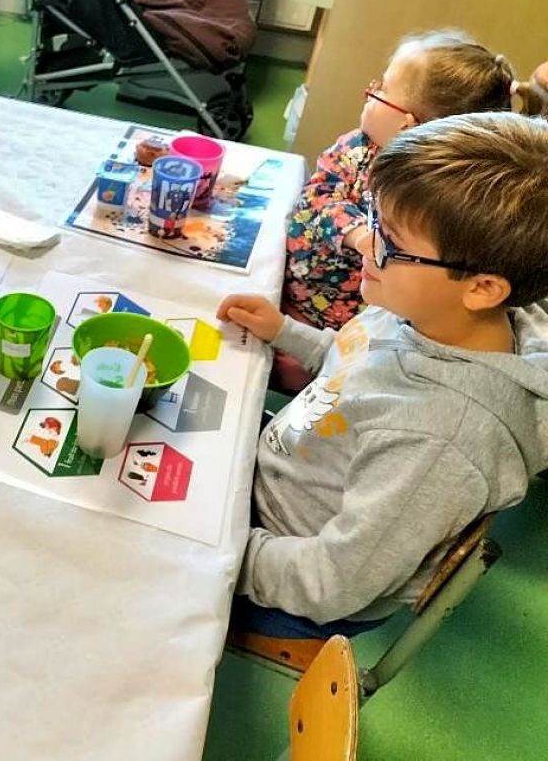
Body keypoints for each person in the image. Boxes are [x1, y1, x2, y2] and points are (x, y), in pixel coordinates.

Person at [219, 112, 548, 639]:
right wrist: (285, 331)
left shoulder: (439, 440)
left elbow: (331, 582)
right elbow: (353, 361)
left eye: (390, 242)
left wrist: (220, 543)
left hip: (285, 572)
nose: (368, 246)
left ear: (483, 288)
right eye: (375, 220)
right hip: (278, 475)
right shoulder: (426, 311)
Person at [284, 30, 514, 332]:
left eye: (382, 88)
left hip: (342, 325)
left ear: (407, 126)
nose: (370, 91)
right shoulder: (359, 148)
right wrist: (359, 234)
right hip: (294, 285)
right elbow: (317, 197)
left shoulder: (435, 197)